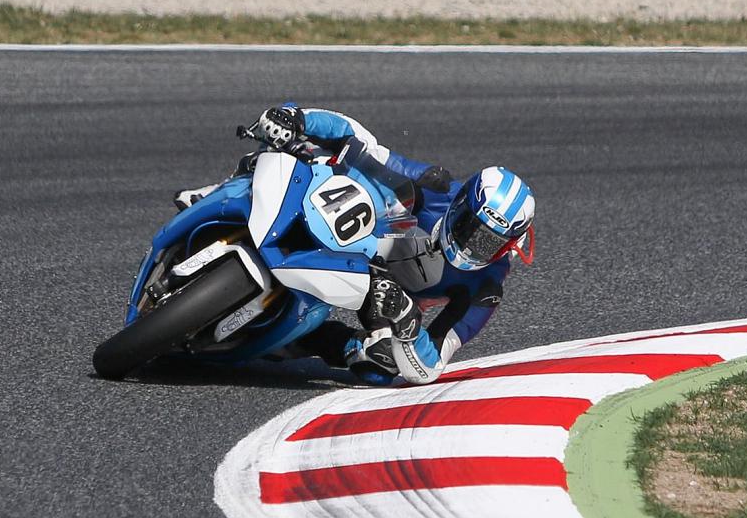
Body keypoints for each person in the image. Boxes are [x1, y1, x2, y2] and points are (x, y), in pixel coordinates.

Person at [177, 104, 536, 386]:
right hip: (353, 230)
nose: (473, 246)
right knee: (298, 140)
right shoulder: (437, 187)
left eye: (489, 243)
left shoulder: (485, 289)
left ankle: (297, 342)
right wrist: (298, 120)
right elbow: (363, 143)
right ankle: (225, 190)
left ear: (509, 247)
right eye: (470, 229)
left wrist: (406, 323)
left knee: (380, 365)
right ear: (461, 205)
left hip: (383, 293)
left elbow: (430, 367)